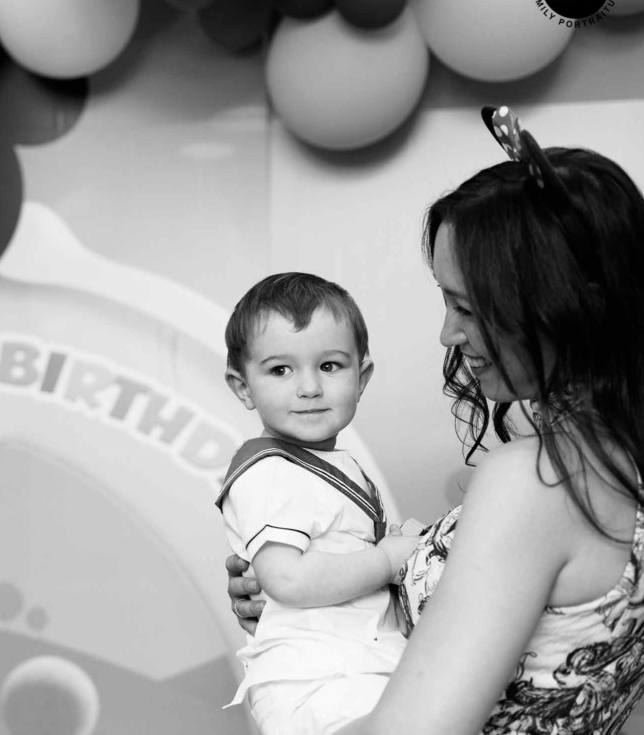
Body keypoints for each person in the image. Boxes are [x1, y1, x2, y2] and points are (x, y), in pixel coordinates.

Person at [225, 105, 644, 734]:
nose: (449, 333)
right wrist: (312, 607)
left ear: (551, 307)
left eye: (466, 307)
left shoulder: (536, 481)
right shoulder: (621, 461)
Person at [216, 272, 420, 735]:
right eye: (280, 370)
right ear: (242, 386)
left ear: (361, 376)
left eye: (329, 366)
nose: (308, 387)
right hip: (321, 684)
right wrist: (389, 559)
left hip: (349, 671)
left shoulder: (325, 464)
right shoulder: (269, 469)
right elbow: (286, 578)